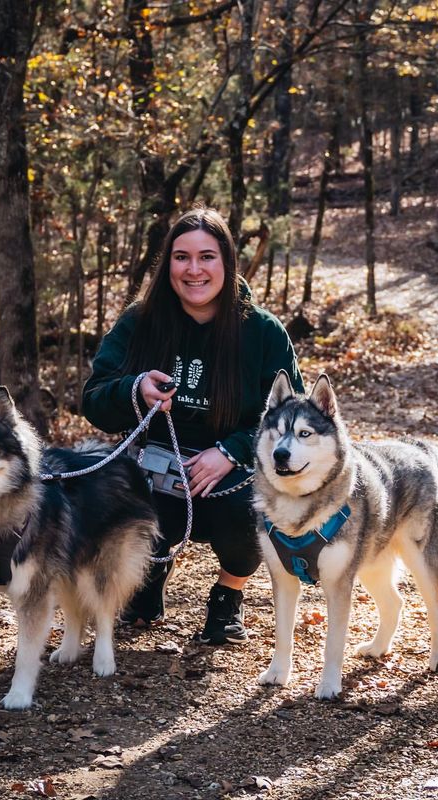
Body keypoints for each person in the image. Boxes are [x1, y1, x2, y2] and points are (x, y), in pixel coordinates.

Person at [82, 207, 304, 645]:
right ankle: (148, 573)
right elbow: (94, 399)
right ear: (168, 264)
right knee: (109, 501)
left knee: (252, 516)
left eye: (207, 257)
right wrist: (135, 388)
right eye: (182, 257)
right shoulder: (139, 321)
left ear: (227, 262)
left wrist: (231, 452)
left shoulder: (262, 332)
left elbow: (291, 418)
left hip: (232, 476)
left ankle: (228, 595)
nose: (194, 269)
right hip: (153, 470)